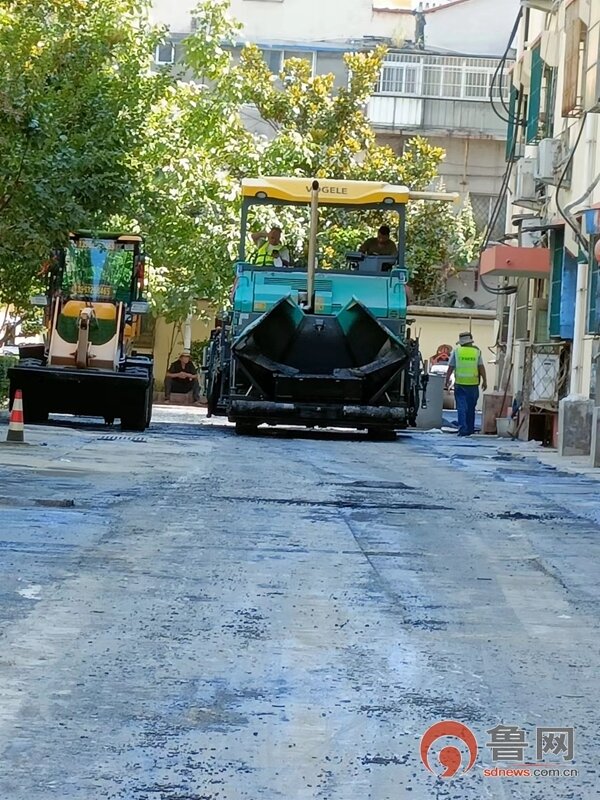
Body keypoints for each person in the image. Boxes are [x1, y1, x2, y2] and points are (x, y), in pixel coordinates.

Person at [444, 332, 487, 437]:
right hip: (473, 384)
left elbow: (451, 367)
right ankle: (470, 429)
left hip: (460, 384)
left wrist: (447, 379)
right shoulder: (476, 352)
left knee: (461, 407)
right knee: (471, 408)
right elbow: (481, 367)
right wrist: (485, 380)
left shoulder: (457, 352)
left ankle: (463, 429)